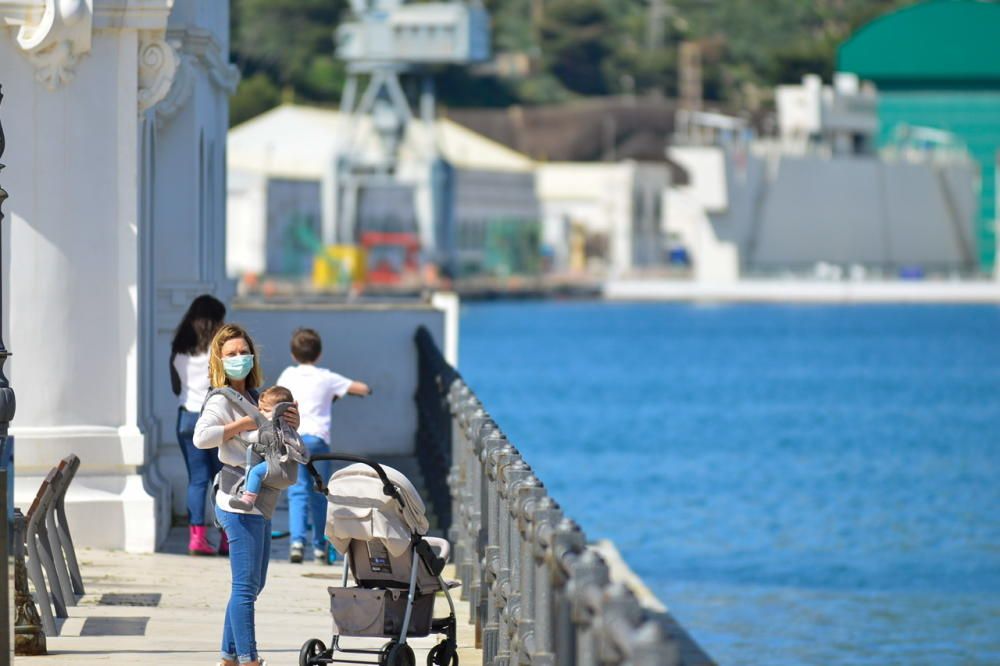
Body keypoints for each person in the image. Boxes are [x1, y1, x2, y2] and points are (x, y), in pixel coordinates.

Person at [194, 323, 299, 666]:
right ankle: (248, 658)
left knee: (254, 585)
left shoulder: (258, 397)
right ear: (219, 361)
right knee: (244, 588)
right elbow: (202, 437)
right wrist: (241, 426)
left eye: (243, 352)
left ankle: (228, 656)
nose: (239, 358)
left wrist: (289, 422)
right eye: (231, 354)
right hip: (236, 499)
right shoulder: (221, 399)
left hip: (261, 501)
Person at [276, 327, 371, 564]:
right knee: (319, 493)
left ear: (293, 354)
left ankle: (297, 543)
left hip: (293, 439)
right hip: (318, 443)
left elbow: (279, 397)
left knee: (297, 492)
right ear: (319, 354)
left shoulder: (287, 374)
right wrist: (350, 392)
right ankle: (320, 547)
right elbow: (362, 388)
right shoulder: (328, 378)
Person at [170, 294, 227, 556]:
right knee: (223, 479)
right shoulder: (216, 352)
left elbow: (175, 388)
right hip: (212, 419)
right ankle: (226, 537)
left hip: (185, 419)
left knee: (197, 481)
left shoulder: (178, 350)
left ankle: (196, 539)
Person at [229, 385, 308, 511]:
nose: (260, 413)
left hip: (277, 465)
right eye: (259, 409)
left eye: (265, 410)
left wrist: (238, 432)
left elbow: (251, 437)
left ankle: (248, 500)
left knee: (255, 472)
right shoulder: (287, 427)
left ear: (280, 411)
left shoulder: (272, 427)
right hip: (288, 470)